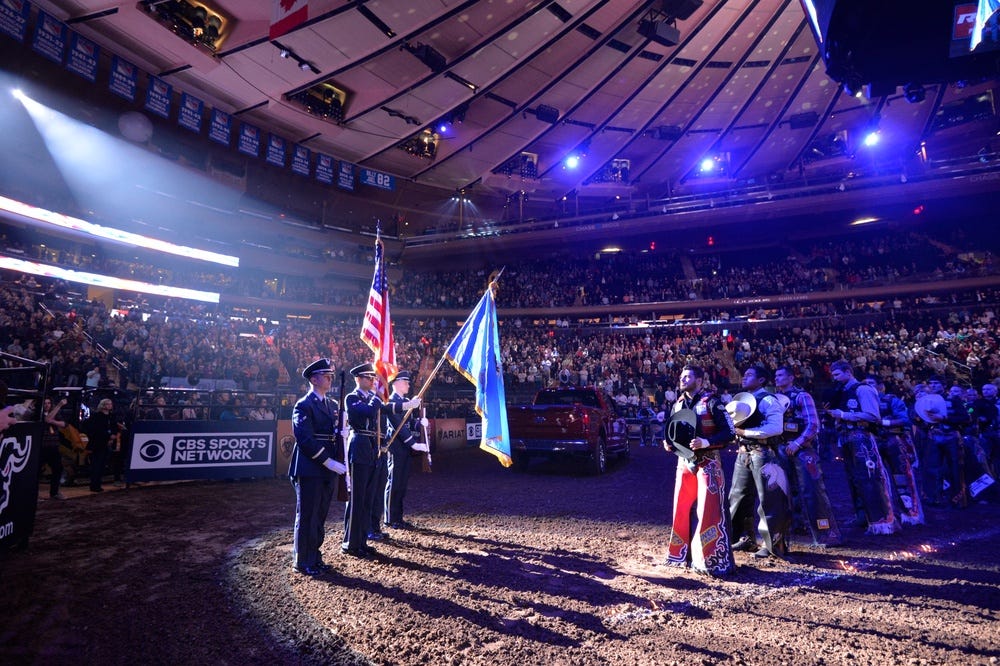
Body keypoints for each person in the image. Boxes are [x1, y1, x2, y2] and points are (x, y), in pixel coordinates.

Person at [663, 365, 735, 576]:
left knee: (708, 510)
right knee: (680, 507)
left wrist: (706, 441)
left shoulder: (712, 402)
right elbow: (671, 430)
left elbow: (729, 432)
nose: (682, 379)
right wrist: (668, 443)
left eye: (687, 376)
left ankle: (711, 560)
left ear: (700, 381)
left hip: (709, 461)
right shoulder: (677, 404)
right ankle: (679, 555)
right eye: (681, 376)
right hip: (684, 462)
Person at [342, 363, 419, 558]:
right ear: (358, 379)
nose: (372, 381)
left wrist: (407, 406)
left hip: (371, 447)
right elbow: (368, 412)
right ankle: (350, 542)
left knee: (368, 496)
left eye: (372, 378)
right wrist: (377, 398)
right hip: (359, 444)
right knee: (358, 497)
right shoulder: (353, 397)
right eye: (368, 378)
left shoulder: (371, 399)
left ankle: (362, 540)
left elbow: (388, 408)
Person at [289, 358, 347, 576]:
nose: (330, 378)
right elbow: (304, 439)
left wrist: (342, 432)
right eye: (326, 375)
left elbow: (335, 433)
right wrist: (328, 461)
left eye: (331, 374)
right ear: (314, 379)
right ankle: (302, 560)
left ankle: (315, 556)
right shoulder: (303, 404)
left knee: (320, 513)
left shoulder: (332, 405)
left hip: (326, 469)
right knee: (307, 515)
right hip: (309, 466)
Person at [828, 360, 899, 534]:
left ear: (848, 371)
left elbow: (872, 416)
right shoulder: (842, 391)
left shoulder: (863, 389)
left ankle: (882, 521)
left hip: (862, 437)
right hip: (846, 437)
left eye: (837, 374)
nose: (834, 378)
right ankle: (863, 518)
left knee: (870, 477)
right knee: (854, 479)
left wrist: (843, 415)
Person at [728, 365, 792, 559]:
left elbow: (775, 428)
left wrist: (744, 433)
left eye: (749, 375)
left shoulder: (769, 400)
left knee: (769, 499)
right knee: (738, 496)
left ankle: (773, 543)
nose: (744, 377)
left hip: (764, 452)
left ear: (762, 380)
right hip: (744, 451)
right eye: (744, 374)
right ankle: (745, 537)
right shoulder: (743, 400)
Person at [774, 366, 841, 547]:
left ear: (791, 377)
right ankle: (796, 528)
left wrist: (797, 443)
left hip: (802, 448)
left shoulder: (802, 396)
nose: (777, 378)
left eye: (780, 375)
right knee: (785, 490)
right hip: (781, 448)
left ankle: (825, 532)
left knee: (812, 490)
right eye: (775, 376)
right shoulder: (773, 399)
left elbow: (813, 425)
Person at [866, 375, 924, 525]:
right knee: (875, 479)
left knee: (901, 478)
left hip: (893, 441)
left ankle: (910, 514)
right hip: (872, 443)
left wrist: (883, 422)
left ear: (881, 386)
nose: (868, 386)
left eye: (871, 383)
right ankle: (885, 516)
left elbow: (905, 419)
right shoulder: (863, 401)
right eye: (865, 384)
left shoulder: (891, 400)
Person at [383, 370, 430, 530]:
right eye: (405, 382)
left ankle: (398, 516)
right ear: (396, 383)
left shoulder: (406, 400)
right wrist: (413, 444)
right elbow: (398, 426)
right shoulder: (391, 401)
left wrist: (419, 423)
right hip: (396, 445)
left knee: (402, 483)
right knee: (394, 481)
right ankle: (390, 518)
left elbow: (408, 423)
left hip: (404, 447)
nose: (408, 384)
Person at [921, 374, 971, 508]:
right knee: (932, 468)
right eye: (930, 383)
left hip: (951, 436)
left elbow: (965, 418)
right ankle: (933, 498)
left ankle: (958, 500)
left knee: (956, 468)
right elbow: (917, 418)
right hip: (933, 436)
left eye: (936, 383)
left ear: (944, 386)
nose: (932, 386)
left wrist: (943, 419)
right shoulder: (925, 400)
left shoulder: (954, 400)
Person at [81, 398, 123, 493]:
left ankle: (98, 484)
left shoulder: (111, 416)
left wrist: (113, 435)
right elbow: (92, 428)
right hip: (98, 443)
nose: (110, 405)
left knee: (103, 465)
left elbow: (114, 427)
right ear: (103, 405)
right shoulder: (96, 416)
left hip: (108, 443)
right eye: (108, 404)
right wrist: (108, 435)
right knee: (96, 464)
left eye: (110, 404)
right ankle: (94, 485)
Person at [41, 396, 68, 500]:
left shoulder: (56, 414)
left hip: (54, 446)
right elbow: (47, 419)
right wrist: (59, 405)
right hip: (41, 447)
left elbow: (64, 424)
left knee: (58, 469)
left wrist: (53, 422)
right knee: (37, 471)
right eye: (45, 403)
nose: (47, 405)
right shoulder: (37, 413)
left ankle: (54, 492)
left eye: (48, 403)